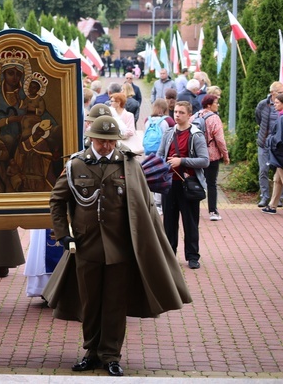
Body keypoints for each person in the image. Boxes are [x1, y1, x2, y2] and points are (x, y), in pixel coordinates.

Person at [48, 114, 192, 376]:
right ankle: (91, 352)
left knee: (115, 304)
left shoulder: (128, 164)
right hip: (86, 246)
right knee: (90, 303)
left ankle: (111, 355)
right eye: (102, 141)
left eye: (111, 141)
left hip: (120, 246)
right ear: (91, 138)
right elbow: (57, 201)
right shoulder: (75, 165)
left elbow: (143, 204)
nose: (107, 146)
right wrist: (62, 234)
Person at [157, 101, 210, 269]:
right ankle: (169, 255)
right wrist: (160, 163)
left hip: (188, 186)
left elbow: (205, 160)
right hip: (169, 184)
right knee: (169, 223)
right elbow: (159, 154)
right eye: (176, 112)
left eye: (181, 112)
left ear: (189, 115)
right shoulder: (168, 133)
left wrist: (182, 160)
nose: (177, 115)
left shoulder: (196, 135)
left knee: (190, 222)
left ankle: (193, 256)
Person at [195, 94, 229, 221]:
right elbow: (220, 140)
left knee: (196, 181)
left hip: (197, 155)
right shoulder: (214, 118)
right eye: (216, 102)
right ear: (209, 105)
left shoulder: (196, 116)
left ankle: (194, 209)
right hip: (211, 155)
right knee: (211, 184)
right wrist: (225, 155)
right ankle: (213, 212)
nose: (218, 105)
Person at [255, 82, 283, 208]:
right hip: (264, 143)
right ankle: (264, 196)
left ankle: (279, 198)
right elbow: (258, 118)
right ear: (272, 93)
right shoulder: (263, 104)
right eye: (280, 92)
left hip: (279, 145)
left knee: (281, 172)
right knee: (263, 170)